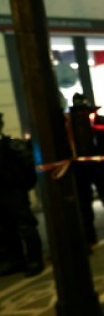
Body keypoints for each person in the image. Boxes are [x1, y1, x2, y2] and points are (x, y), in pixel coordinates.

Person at [68, 93, 104, 248]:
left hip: (97, 165)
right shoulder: (69, 123)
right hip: (80, 168)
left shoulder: (98, 120)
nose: (80, 114)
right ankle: (90, 238)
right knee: (84, 205)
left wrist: (98, 130)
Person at [0, 112, 44, 277]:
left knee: (25, 226)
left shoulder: (11, 145)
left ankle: (34, 261)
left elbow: (28, 165)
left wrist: (23, 186)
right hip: (4, 193)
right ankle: (15, 261)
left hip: (14, 192)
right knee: (5, 230)